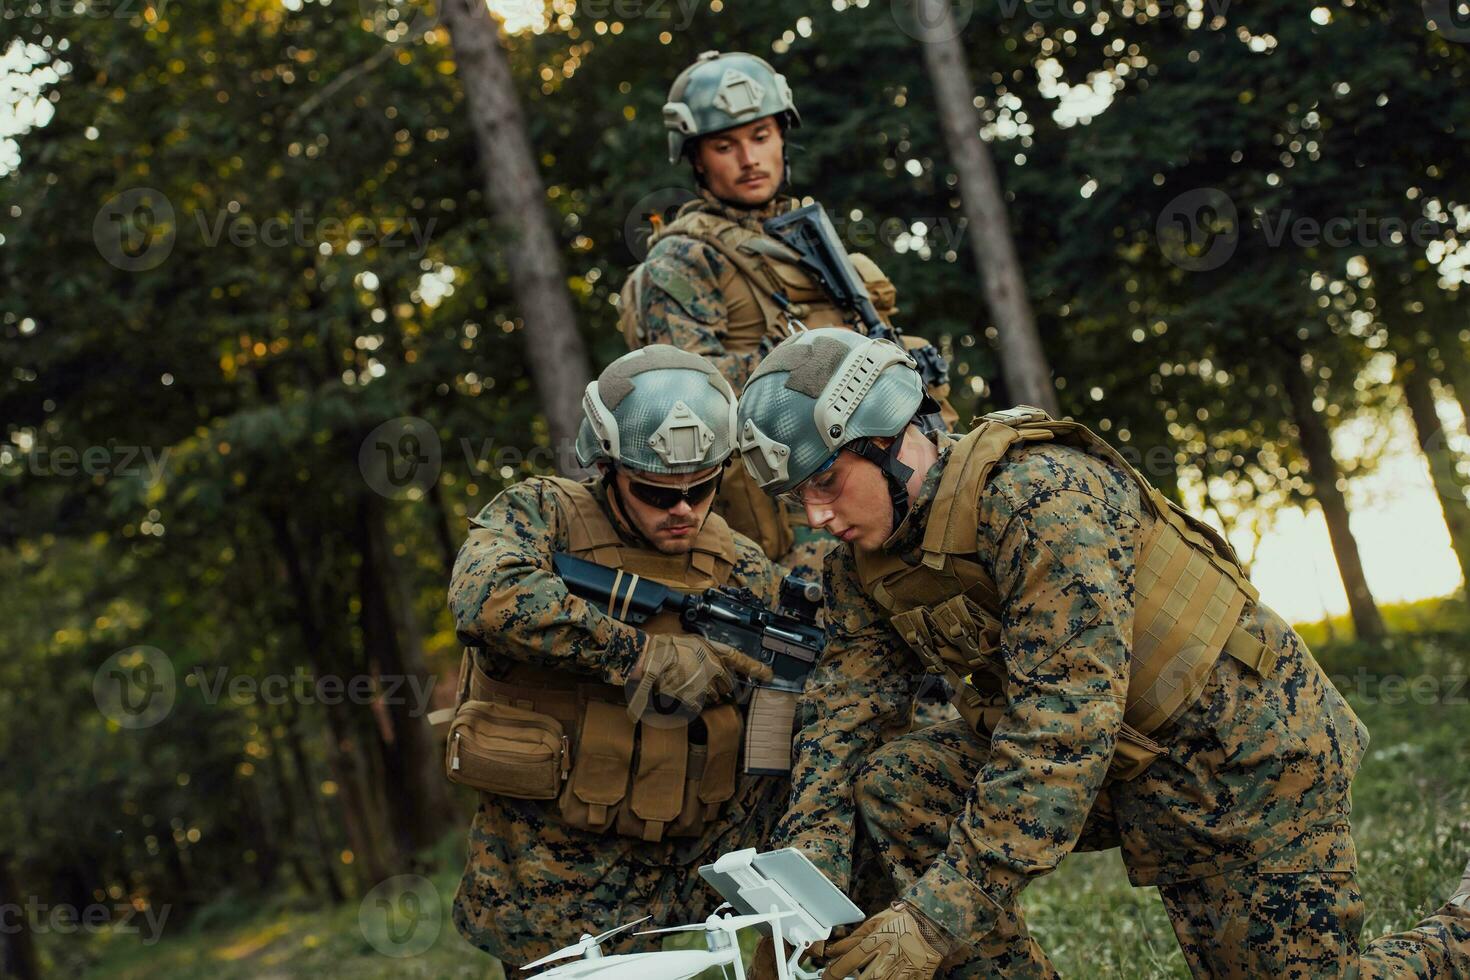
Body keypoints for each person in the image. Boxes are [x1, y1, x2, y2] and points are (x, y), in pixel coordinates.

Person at [734, 327, 1470, 978]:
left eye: (826, 482)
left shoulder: (1039, 497)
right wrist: (801, 885)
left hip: (1242, 760)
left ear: (888, 438)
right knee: (900, 782)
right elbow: (840, 723)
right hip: (1122, 769)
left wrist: (935, 918)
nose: (819, 516)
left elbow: (1063, 725)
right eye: (798, 499)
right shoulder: (860, 567)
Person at [446, 345, 786, 967]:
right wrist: (639, 655)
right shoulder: (544, 514)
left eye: (703, 487)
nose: (683, 509)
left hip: (695, 857)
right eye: (657, 494)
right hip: (552, 871)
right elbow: (485, 596)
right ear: (608, 468)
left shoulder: (743, 568)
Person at [618, 49, 956, 582]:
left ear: (782, 136)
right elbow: (685, 402)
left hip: (880, 486)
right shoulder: (684, 257)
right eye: (725, 145)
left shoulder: (803, 240)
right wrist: (830, 355)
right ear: (698, 158)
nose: (749, 158)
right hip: (793, 516)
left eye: (761, 136)